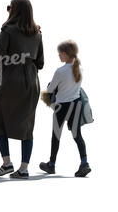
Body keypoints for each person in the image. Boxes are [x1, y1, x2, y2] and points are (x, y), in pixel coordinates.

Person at [0, 0, 44, 179]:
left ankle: (6, 163)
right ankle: (24, 168)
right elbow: (40, 63)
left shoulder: (8, 30)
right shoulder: (38, 33)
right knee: (27, 124)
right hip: (32, 80)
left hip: (10, 79)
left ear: (14, 10)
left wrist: (2, 61)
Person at [39, 40, 91, 177]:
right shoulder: (80, 68)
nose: (59, 56)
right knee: (77, 135)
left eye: (59, 54)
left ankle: (51, 164)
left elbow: (50, 90)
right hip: (76, 105)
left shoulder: (60, 71)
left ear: (65, 54)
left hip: (61, 107)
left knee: (56, 136)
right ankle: (84, 163)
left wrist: (50, 86)